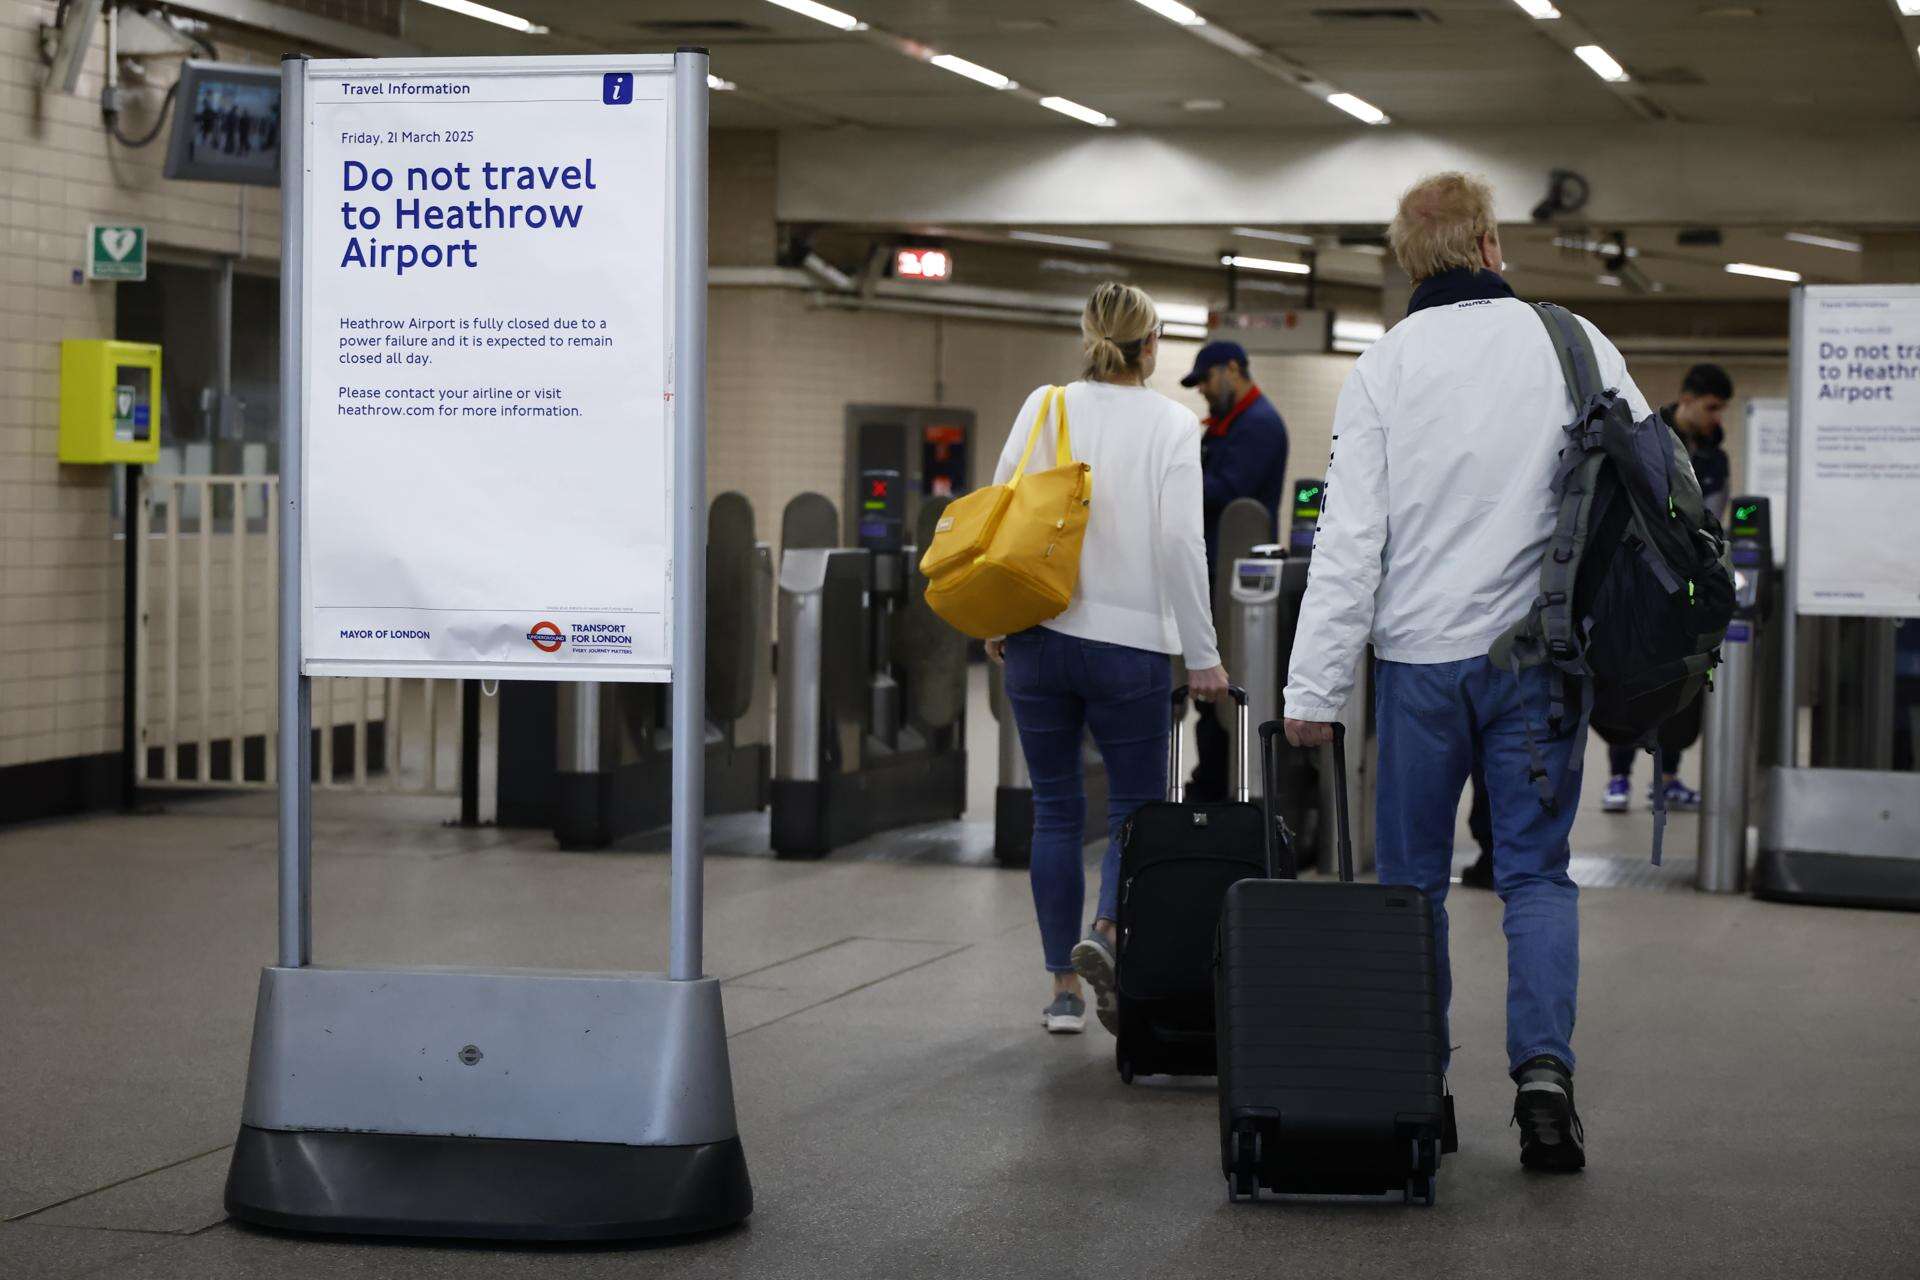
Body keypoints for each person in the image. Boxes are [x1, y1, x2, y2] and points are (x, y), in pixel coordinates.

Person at [1283, 172, 1653, 1172]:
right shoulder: (1571, 341)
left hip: (1417, 669)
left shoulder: (1386, 367)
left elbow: (1351, 541)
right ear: (1491, 243)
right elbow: (1663, 484)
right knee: (1535, 873)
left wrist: (1312, 690)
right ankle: (1542, 1077)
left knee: (1411, 882)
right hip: (1541, 665)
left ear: (1410, 261)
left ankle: (1417, 1084)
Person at [985, 282, 1229, 1037]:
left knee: (1055, 811)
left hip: (1039, 635)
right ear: (1151, 346)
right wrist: (1204, 656)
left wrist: (997, 615)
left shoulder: (1044, 404)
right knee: (1134, 811)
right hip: (1130, 650)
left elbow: (1001, 505)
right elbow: (1181, 544)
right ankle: (1109, 928)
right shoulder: (1172, 425)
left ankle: (1063, 989)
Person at [1596, 363, 1733, 813]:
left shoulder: (1716, 457)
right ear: (1687, 398)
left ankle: (1669, 777)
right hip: (1646, 575)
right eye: (1711, 407)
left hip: (1689, 579)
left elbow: (1714, 515)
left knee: (1682, 678)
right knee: (1633, 673)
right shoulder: (1651, 440)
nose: (1717, 418)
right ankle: (1619, 778)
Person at [1178, 341, 1289, 802]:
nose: (1203, 389)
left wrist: (1175, 475)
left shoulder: (1258, 425)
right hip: (1212, 575)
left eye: (1206, 378)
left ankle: (1220, 791)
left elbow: (1225, 492)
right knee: (1210, 696)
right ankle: (1210, 784)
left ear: (1232, 369)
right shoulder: (1227, 426)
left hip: (1234, 584)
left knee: (1223, 688)